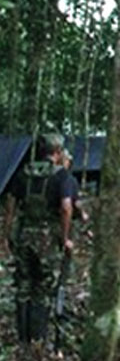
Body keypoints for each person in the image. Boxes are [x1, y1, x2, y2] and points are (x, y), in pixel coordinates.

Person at [4, 133, 79, 346]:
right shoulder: (61, 176)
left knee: (24, 284)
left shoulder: (23, 173)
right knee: (43, 287)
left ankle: (23, 337)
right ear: (57, 152)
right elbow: (66, 208)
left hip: (24, 235)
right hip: (48, 238)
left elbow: (10, 204)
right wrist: (65, 238)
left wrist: (8, 233)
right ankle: (38, 338)